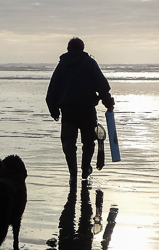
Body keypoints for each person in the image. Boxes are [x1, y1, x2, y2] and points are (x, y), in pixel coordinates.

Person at [46, 37, 115, 180]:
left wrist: (54, 110)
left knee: (68, 144)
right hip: (87, 110)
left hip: (68, 111)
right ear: (83, 48)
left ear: (68, 49)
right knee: (88, 142)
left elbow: (52, 90)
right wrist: (108, 103)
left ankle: (73, 173)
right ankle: (85, 169)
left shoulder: (62, 65)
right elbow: (102, 85)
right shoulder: (89, 63)